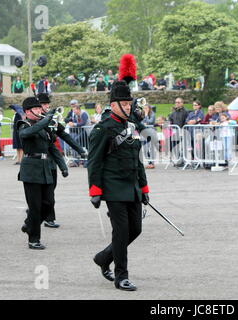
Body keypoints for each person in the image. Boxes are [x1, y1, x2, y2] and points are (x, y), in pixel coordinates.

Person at [88, 80, 150, 291]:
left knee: (136, 229)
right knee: (121, 232)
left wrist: (144, 188)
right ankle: (121, 276)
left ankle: (104, 257)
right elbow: (94, 162)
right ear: (113, 105)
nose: (128, 107)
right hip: (113, 188)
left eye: (129, 103)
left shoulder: (131, 127)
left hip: (132, 187)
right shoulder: (102, 129)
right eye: (124, 103)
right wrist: (95, 190)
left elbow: (137, 159)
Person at [17, 97, 68, 249]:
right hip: (31, 169)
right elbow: (26, 134)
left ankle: (30, 225)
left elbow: (51, 147)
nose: (40, 110)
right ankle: (34, 239)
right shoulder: (23, 124)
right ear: (28, 111)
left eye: (41, 108)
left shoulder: (43, 127)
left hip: (45, 167)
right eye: (37, 109)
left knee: (49, 203)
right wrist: (45, 121)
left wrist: (62, 165)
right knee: (35, 206)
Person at [37, 92, 86, 228]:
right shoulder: (34, 121)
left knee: (51, 190)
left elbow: (64, 135)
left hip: (51, 160)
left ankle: (48, 217)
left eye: (47, 104)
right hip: (37, 161)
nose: (46, 107)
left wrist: (79, 149)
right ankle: (37, 213)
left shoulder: (51, 120)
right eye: (43, 104)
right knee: (39, 193)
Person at [141, 104, 157, 169]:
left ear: (149, 108)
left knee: (151, 148)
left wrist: (146, 115)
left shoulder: (152, 114)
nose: (145, 110)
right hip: (144, 133)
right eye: (144, 108)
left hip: (151, 133)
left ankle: (152, 163)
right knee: (145, 149)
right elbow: (141, 122)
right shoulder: (141, 114)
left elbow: (150, 122)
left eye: (146, 108)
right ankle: (149, 162)